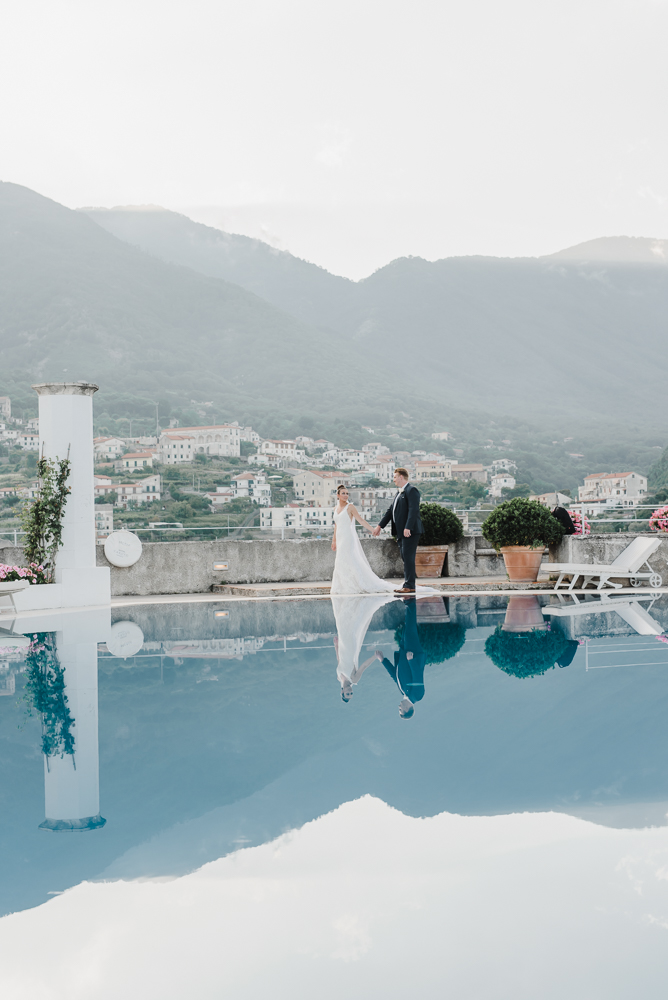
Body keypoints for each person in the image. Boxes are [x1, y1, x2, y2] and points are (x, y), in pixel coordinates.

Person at [331, 485, 434, 596]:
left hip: (347, 538)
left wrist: (373, 530)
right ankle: (341, 585)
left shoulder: (350, 507)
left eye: (347, 493)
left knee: (349, 559)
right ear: (338, 495)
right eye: (343, 493)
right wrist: (334, 540)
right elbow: (336, 526)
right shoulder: (335, 509)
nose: (346, 495)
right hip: (340, 538)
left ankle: (352, 584)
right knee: (340, 560)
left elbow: (360, 520)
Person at [372, 468, 423, 595]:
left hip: (409, 531)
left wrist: (408, 527)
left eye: (394, 477)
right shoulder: (399, 492)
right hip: (401, 531)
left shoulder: (412, 490)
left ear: (401, 477)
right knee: (405, 557)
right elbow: (390, 511)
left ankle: (409, 585)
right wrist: (380, 526)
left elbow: (413, 510)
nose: (393, 479)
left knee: (408, 557)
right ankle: (408, 584)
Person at [375, 598, 426, 719]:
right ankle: (410, 601)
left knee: (407, 629)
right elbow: (417, 675)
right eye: (401, 710)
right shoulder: (417, 696)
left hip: (404, 653)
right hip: (412, 654)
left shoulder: (403, 692)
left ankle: (409, 603)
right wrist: (411, 661)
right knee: (410, 628)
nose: (399, 708)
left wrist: (383, 660)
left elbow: (395, 676)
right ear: (407, 709)